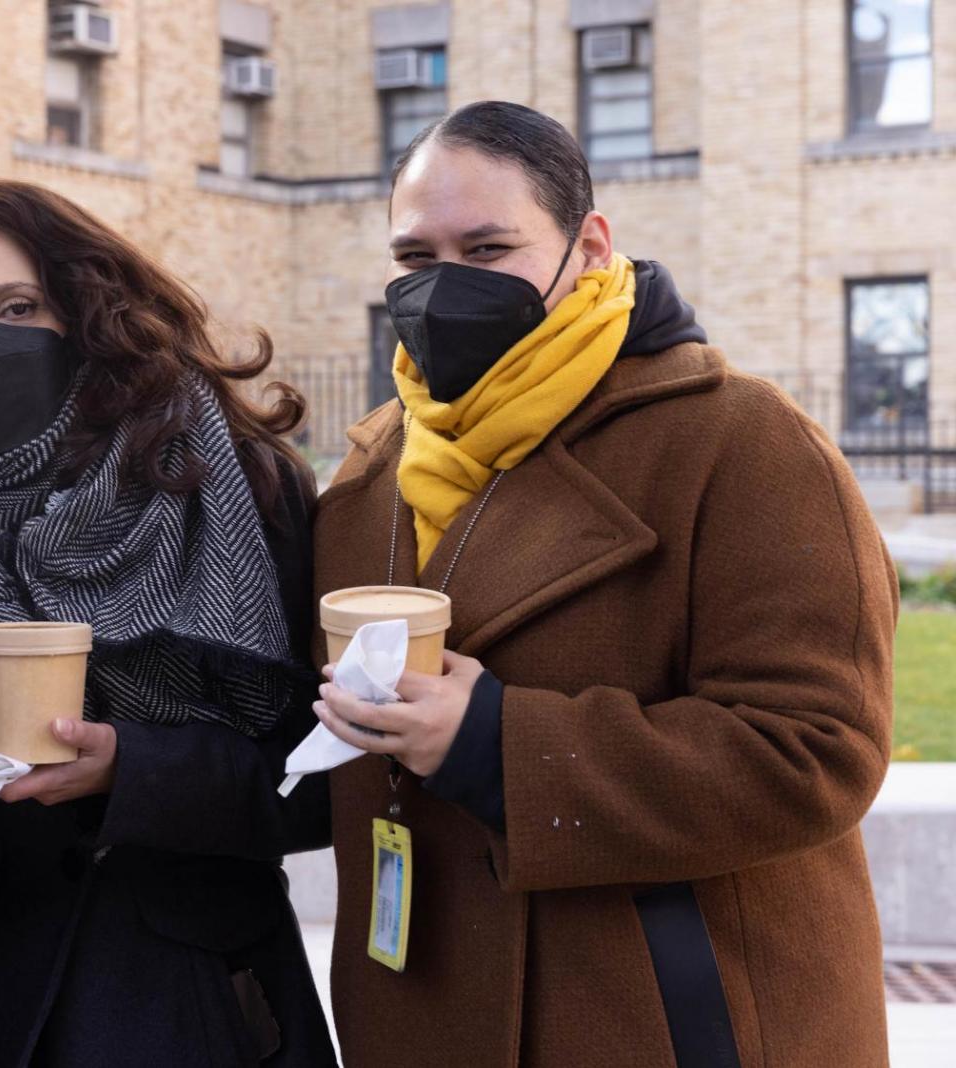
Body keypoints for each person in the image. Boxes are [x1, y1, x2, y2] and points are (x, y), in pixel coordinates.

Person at [311, 101, 896, 1068]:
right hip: (419, 999)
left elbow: (817, 750)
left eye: (489, 247)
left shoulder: (740, 441)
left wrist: (499, 746)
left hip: (660, 1020)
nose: (444, 285)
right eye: (416, 258)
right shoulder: (374, 467)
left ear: (588, 245)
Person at [0, 179, 338, 1067]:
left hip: (197, 999)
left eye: (17, 306)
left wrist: (135, 768)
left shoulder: (234, 483)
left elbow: (323, 782)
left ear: (86, 309)